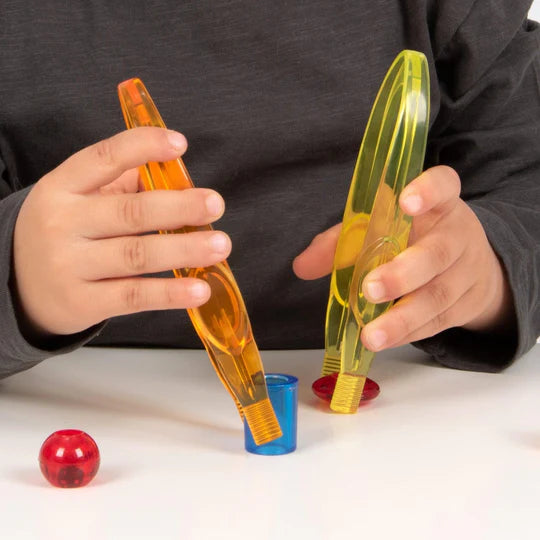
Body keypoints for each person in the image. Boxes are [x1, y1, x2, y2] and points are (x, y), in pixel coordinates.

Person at [0, 0, 538, 379]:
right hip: (77, 402)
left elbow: (526, 184)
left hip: (403, 413)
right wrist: (17, 277)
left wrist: (484, 272)